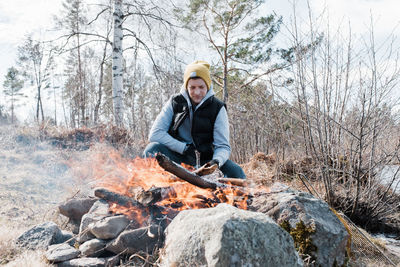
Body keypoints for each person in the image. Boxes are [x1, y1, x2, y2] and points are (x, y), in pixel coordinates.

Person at [143, 60, 246, 179]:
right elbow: (155, 134)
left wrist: (215, 162)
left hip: (206, 161)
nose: (197, 92)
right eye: (192, 87)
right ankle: (156, 186)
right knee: (152, 149)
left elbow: (223, 146)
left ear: (208, 85)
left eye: (201, 87)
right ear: (186, 86)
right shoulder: (175, 102)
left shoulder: (218, 108)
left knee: (237, 172)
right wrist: (184, 148)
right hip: (177, 157)